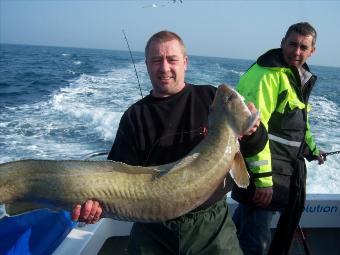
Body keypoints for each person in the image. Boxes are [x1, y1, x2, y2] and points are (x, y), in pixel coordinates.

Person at [72, 30, 263, 254]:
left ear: (185, 62)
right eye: (156, 60)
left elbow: (256, 147)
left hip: (211, 227)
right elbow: (114, 176)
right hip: (152, 228)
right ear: (147, 64)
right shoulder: (135, 116)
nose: (164, 68)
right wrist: (97, 206)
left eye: (172, 59)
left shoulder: (211, 99)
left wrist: (252, 133)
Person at [231, 22, 326, 255]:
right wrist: (263, 181)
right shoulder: (268, 76)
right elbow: (254, 131)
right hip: (265, 177)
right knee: (256, 245)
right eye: (292, 44)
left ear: (312, 51)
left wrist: (312, 150)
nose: (297, 51)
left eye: (304, 47)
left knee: (240, 229)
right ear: (282, 42)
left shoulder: (294, 77)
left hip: (281, 173)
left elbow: (297, 125)